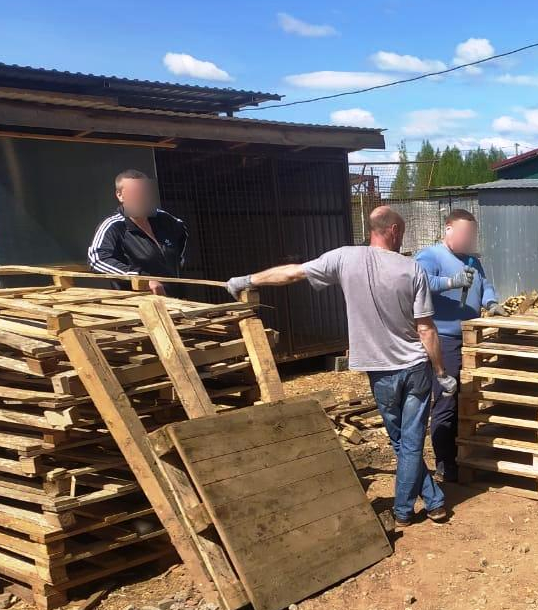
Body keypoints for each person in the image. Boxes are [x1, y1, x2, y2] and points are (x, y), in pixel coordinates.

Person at [225, 207, 454, 528]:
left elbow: (293, 273)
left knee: (402, 441)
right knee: (411, 441)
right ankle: (433, 502)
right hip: (416, 367)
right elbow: (426, 329)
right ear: (393, 231)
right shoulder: (411, 269)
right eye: (401, 232)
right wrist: (442, 373)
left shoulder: (344, 258)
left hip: (380, 369)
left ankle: (406, 510)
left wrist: (247, 280)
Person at [414, 209, 503, 482]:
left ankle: (464, 452)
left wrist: (491, 302)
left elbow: (485, 285)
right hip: (445, 340)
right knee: (446, 401)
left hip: (471, 339)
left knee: (468, 398)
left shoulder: (472, 260)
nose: (469, 239)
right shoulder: (430, 257)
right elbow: (418, 282)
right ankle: (445, 461)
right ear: (448, 229)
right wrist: (451, 282)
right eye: (464, 233)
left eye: (472, 234)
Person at [88, 169, 188, 296]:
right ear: (120, 195)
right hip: (140, 305)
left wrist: (179, 262)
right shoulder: (113, 226)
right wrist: (140, 278)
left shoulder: (165, 219)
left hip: (178, 302)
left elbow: (181, 231)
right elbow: (97, 260)